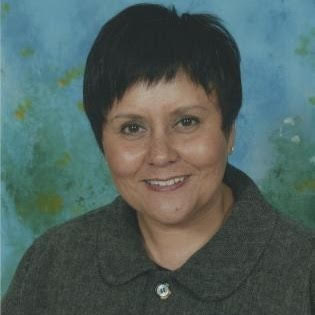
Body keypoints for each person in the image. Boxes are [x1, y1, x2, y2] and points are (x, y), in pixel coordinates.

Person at [2, 3, 314, 314]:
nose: (161, 154)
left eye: (186, 122)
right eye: (132, 127)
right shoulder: (51, 264)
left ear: (229, 131)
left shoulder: (304, 274)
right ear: (102, 143)